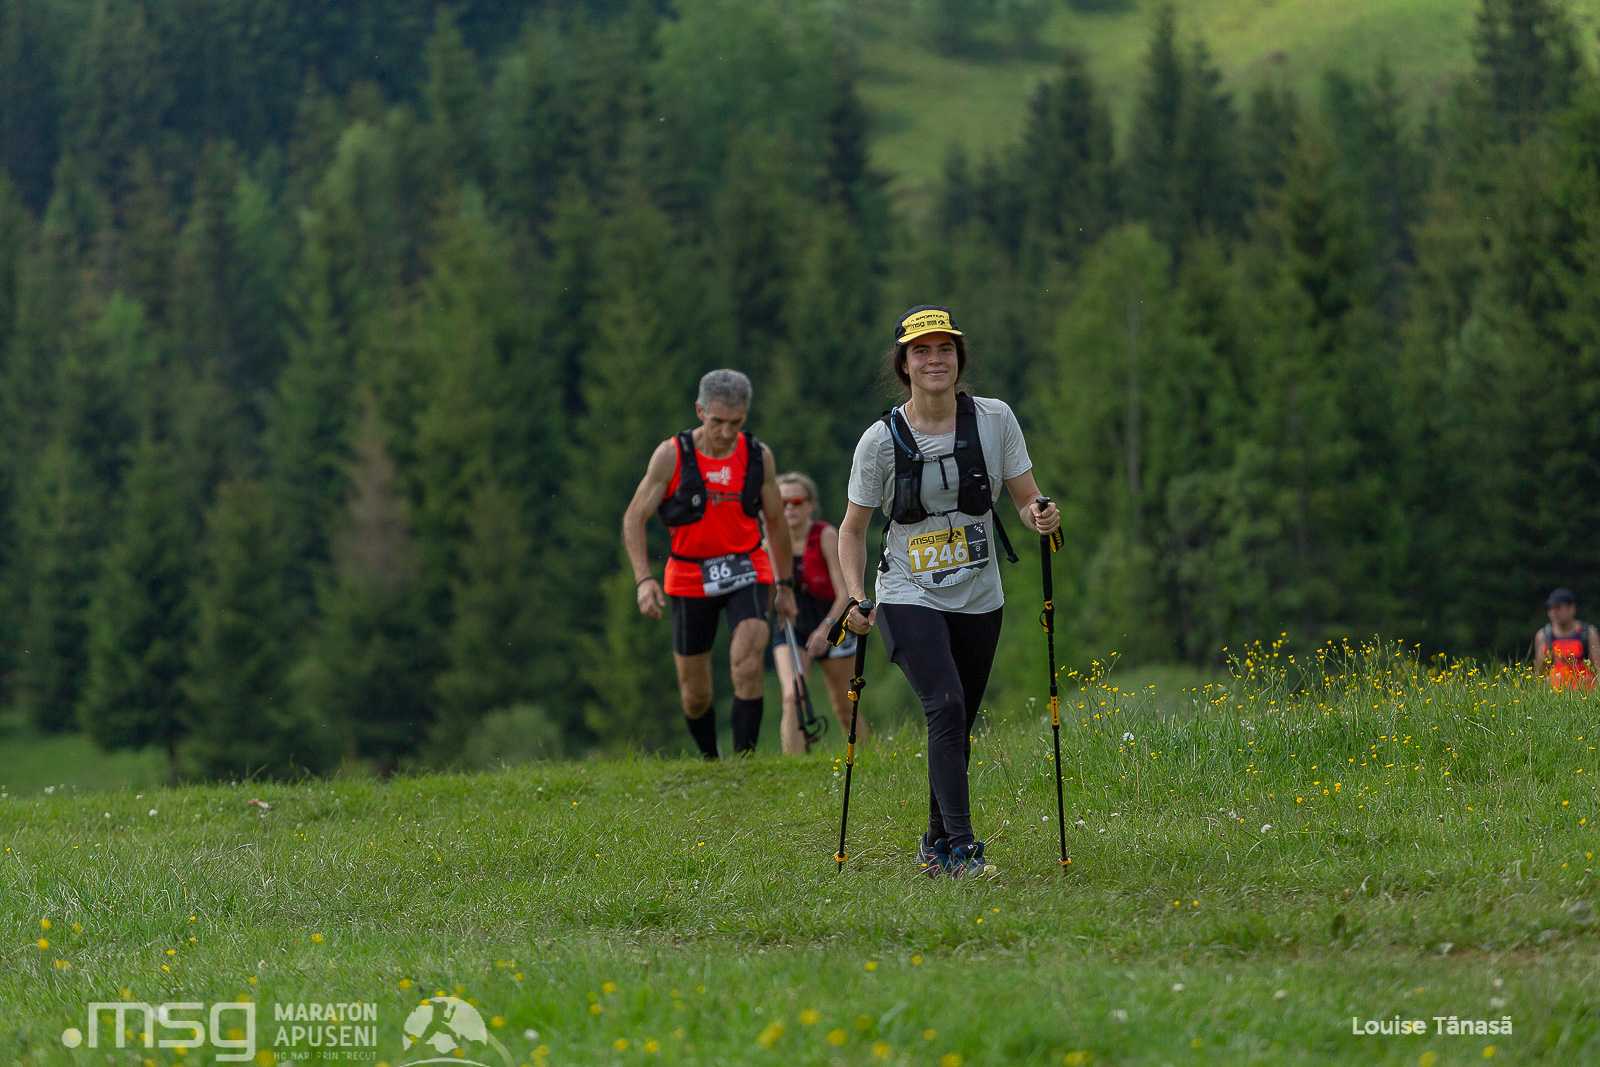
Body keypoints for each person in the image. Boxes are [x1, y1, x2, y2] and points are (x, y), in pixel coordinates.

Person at [837, 305, 1060, 879]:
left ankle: (934, 843)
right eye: (922, 351)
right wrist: (855, 597)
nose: (935, 359)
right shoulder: (879, 441)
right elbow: (852, 530)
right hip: (906, 590)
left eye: (945, 349)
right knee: (947, 705)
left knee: (957, 723)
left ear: (959, 358)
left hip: (980, 593)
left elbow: (1025, 498)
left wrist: (1041, 516)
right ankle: (962, 849)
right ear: (904, 365)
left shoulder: (995, 419)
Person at [623, 369, 797, 757]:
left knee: (747, 664)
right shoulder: (672, 455)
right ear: (700, 411)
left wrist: (784, 586)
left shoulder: (758, 456)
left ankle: (744, 764)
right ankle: (711, 762)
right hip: (689, 575)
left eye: (736, 422)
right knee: (695, 694)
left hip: (747, 568)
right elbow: (635, 517)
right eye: (717, 421)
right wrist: (643, 579)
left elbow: (776, 522)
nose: (726, 432)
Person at [769, 472, 864, 754]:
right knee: (792, 696)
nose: (789, 508)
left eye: (797, 501)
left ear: (811, 504)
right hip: (792, 626)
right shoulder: (770, 542)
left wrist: (826, 629)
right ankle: (794, 767)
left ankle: (866, 759)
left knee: (845, 707)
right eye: (782, 502)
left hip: (832, 624)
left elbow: (844, 593)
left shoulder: (825, 536)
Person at [1534, 588, 1598, 690]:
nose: (1553, 612)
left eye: (1558, 608)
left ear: (1572, 608)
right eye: (1551, 609)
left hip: (1585, 694)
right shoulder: (1544, 636)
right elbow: (1539, 673)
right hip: (1555, 695)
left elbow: (1598, 669)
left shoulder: (1587, 633)